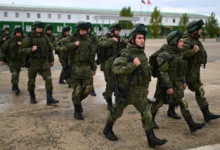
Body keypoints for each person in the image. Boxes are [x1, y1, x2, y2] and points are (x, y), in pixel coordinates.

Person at [103, 26, 167, 148]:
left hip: (139, 92)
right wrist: (132, 65)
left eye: (143, 38)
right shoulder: (126, 53)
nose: (142, 40)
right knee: (116, 112)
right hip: (126, 92)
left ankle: (151, 138)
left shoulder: (141, 54)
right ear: (132, 40)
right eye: (139, 38)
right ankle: (107, 129)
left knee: (146, 113)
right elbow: (115, 68)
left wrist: (145, 87)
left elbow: (145, 73)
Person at [150, 31, 206, 133]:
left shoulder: (179, 53)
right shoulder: (164, 54)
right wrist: (168, 86)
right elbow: (163, 72)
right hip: (166, 84)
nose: (182, 43)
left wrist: (183, 81)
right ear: (174, 42)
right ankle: (150, 120)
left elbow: (182, 70)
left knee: (183, 103)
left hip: (177, 83)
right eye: (180, 41)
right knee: (158, 103)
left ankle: (191, 124)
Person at [55, 21, 97, 120]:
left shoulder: (89, 41)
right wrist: (73, 45)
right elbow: (57, 46)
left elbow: (91, 56)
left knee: (88, 89)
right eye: (82, 30)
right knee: (77, 90)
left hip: (86, 69)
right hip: (74, 69)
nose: (84, 32)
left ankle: (77, 102)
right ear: (78, 30)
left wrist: (94, 68)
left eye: (85, 30)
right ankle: (77, 110)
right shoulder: (71, 39)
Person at [181, 19, 220, 122]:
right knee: (176, 94)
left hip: (194, 73)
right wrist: (193, 51)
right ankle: (169, 109)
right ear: (194, 30)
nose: (201, 31)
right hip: (185, 73)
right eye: (200, 29)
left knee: (199, 91)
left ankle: (206, 114)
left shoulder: (195, 39)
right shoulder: (186, 40)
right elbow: (181, 55)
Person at [19, 21, 59, 105]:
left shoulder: (45, 37)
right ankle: (32, 96)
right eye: (38, 28)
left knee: (48, 79)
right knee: (31, 80)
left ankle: (49, 98)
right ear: (34, 28)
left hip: (44, 62)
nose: (40, 29)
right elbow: (21, 50)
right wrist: (31, 49)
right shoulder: (29, 38)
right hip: (33, 62)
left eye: (41, 28)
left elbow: (50, 49)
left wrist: (51, 60)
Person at [98, 23, 126, 111]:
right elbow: (102, 44)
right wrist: (112, 40)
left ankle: (118, 99)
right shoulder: (105, 38)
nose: (118, 32)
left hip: (117, 64)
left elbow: (127, 46)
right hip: (107, 65)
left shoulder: (119, 39)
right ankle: (109, 101)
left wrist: (123, 41)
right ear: (112, 30)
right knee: (110, 83)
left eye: (119, 30)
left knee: (119, 82)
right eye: (117, 30)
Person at [0, 27, 25, 95]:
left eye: (20, 33)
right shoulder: (9, 41)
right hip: (11, 61)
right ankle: (16, 87)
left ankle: (14, 85)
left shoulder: (24, 41)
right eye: (17, 33)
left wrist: (22, 44)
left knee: (17, 73)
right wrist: (1, 60)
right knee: (14, 73)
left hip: (19, 61)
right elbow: (2, 50)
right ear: (15, 33)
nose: (19, 34)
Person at [87, 22, 98, 96]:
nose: (88, 30)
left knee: (90, 75)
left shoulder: (93, 37)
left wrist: (91, 50)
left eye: (89, 28)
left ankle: (92, 89)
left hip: (90, 58)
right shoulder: (80, 36)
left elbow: (96, 46)